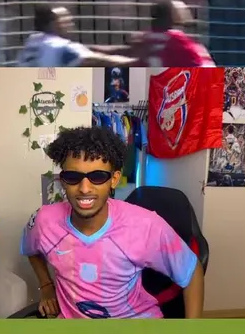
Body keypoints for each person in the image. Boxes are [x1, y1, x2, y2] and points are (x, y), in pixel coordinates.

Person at [22, 126, 205, 319]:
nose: (84, 189)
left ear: (114, 180)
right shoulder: (45, 221)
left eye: (98, 177)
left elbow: (192, 271)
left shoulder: (145, 225)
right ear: (63, 181)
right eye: (73, 177)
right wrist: (46, 286)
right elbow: (31, 249)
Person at [15, 5, 136, 67]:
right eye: (66, 19)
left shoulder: (33, 41)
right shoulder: (62, 47)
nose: (71, 23)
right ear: (53, 24)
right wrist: (135, 62)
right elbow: (95, 58)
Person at [126, 0, 216, 67]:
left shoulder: (149, 39)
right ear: (171, 16)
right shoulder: (175, 38)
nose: (187, 11)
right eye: (182, 9)